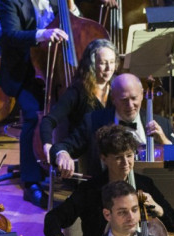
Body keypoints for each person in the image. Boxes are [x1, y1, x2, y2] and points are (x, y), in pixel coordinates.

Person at [44, 124, 174, 236]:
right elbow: (53, 218)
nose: (125, 163)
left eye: (129, 155)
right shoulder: (90, 189)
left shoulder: (144, 184)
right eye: (118, 157)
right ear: (104, 159)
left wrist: (157, 208)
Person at [0, 0, 69, 206]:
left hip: (54, 70)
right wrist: (41, 34)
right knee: (33, 115)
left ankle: (64, 168)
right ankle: (31, 182)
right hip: (23, 74)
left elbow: (72, 22)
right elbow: (10, 34)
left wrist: (72, 8)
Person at [51, 73, 173, 178]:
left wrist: (164, 141)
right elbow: (63, 146)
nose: (130, 105)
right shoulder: (93, 121)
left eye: (134, 98)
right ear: (113, 98)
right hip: (105, 194)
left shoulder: (162, 124)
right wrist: (62, 154)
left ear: (142, 95)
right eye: (124, 100)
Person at [38, 38, 117, 171]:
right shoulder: (77, 91)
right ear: (92, 64)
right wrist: (47, 145)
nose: (109, 68)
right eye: (103, 63)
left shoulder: (117, 87)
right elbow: (48, 120)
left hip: (111, 154)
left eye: (112, 62)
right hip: (84, 156)